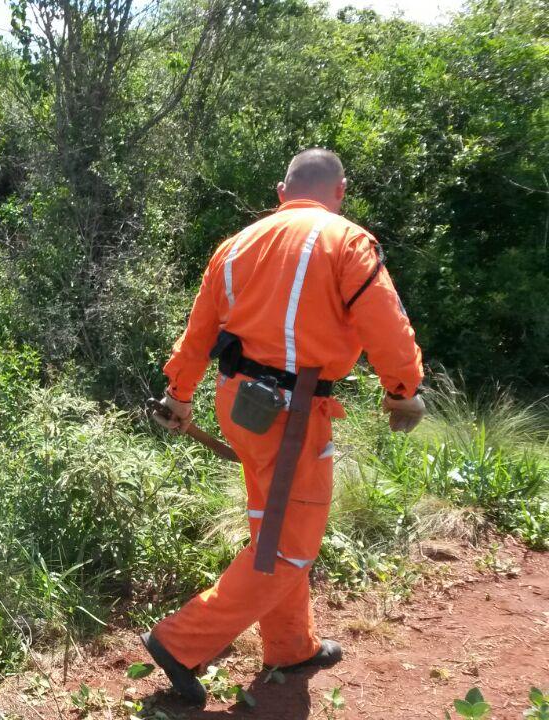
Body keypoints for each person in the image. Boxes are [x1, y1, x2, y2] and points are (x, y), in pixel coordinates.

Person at [142, 149, 426, 705]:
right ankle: (180, 642)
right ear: (339, 190)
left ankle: (292, 646)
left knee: (270, 523)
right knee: (292, 543)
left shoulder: (236, 245)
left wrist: (178, 397)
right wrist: (402, 390)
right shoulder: (347, 242)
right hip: (292, 411)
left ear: (280, 192)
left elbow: (198, 334)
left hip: (239, 403)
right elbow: (387, 328)